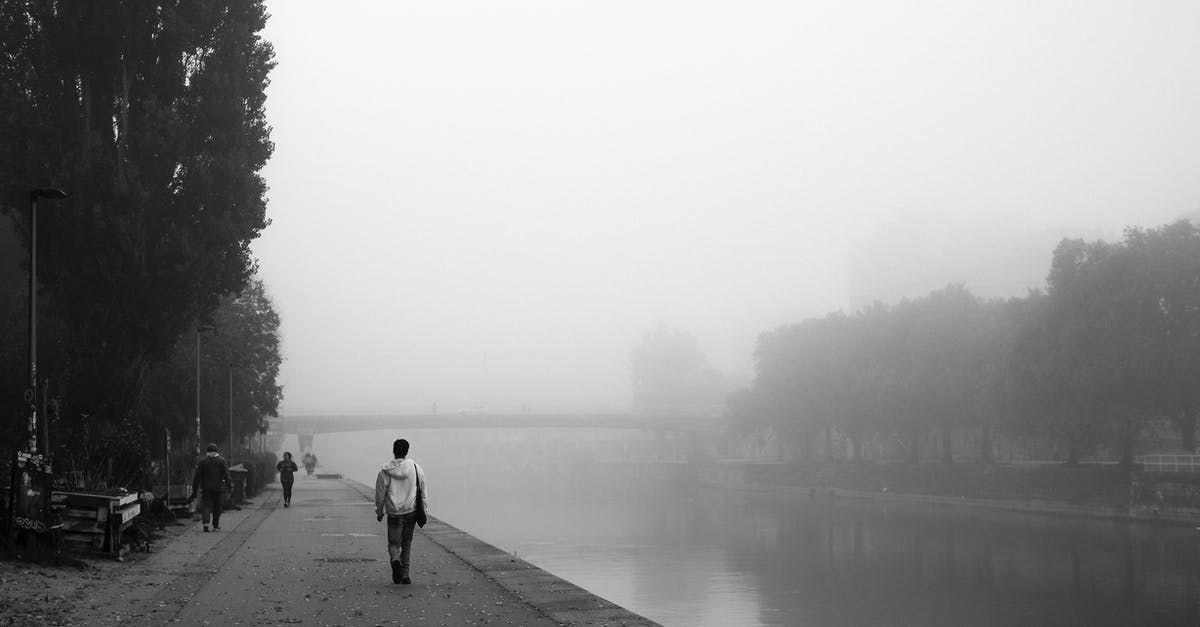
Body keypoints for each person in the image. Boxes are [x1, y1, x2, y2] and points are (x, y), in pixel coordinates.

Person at [374, 438, 427, 585]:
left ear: (394, 450)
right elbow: (423, 491)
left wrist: (379, 512)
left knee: (393, 544)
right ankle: (405, 576)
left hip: (394, 514)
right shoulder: (416, 468)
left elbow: (380, 495)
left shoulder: (384, 472)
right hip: (411, 512)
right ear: (407, 451)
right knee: (407, 543)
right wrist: (425, 510)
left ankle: (395, 560)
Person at [190, 443, 233, 532]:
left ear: (207, 452)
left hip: (206, 488)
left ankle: (206, 524)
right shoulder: (222, 461)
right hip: (218, 488)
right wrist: (229, 486)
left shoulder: (202, 461)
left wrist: (194, 491)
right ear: (216, 451)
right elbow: (227, 475)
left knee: (206, 505)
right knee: (217, 506)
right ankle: (215, 525)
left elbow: (197, 477)